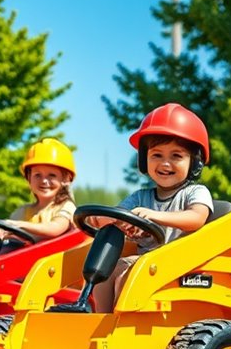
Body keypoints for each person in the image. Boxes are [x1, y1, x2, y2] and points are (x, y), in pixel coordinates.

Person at [91, 103, 213, 313]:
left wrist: (155, 216)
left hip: (184, 266)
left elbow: (196, 218)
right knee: (108, 269)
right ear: (143, 160)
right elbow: (115, 214)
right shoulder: (140, 197)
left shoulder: (196, 192)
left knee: (128, 275)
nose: (165, 164)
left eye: (176, 156)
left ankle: (123, 327)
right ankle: (101, 321)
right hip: (147, 263)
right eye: (157, 155)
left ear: (194, 163)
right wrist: (111, 220)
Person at [0, 138, 77, 241]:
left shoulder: (65, 207)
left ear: (66, 179)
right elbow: (8, 229)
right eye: (37, 175)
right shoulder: (23, 211)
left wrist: (19, 225)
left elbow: (55, 228)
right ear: (28, 178)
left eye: (52, 175)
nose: (44, 181)